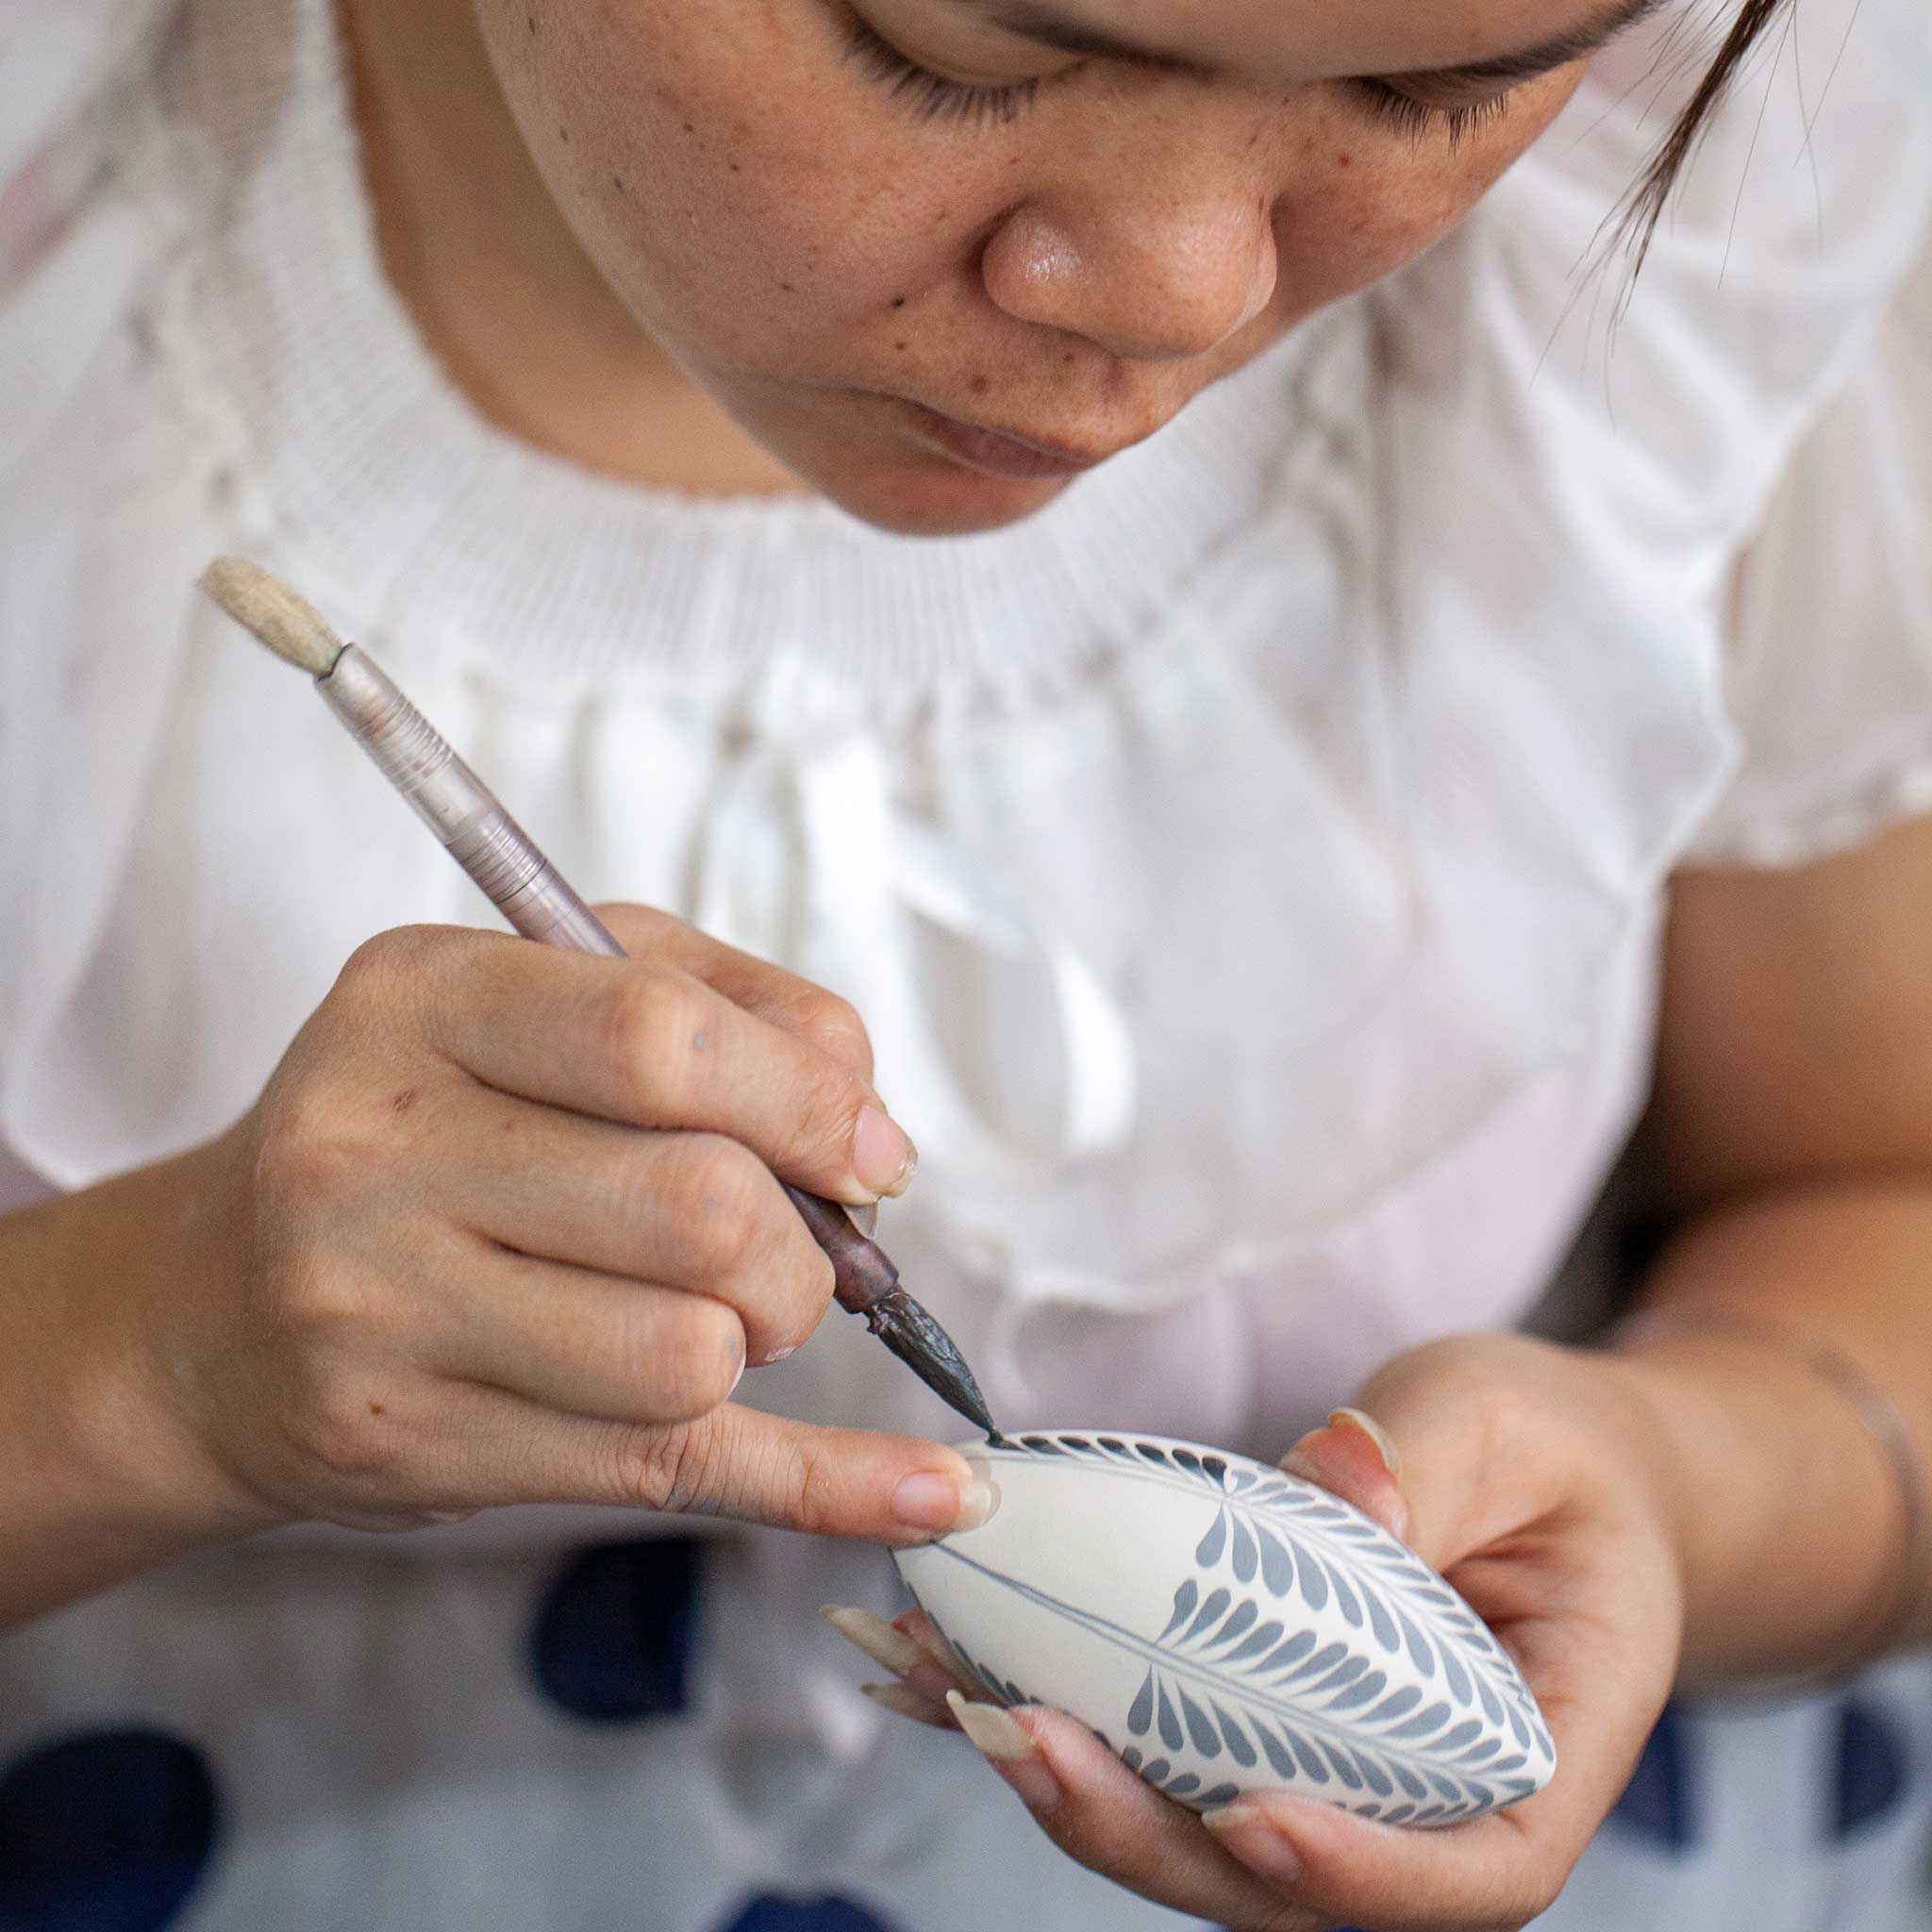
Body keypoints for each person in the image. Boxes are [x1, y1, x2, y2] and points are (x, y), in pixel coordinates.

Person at [1, 0, 1928, 1926]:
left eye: (1431, 88)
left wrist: (1674, 1481)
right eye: (955, 57)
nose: (1176, 293)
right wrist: (148, 1353)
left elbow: (1870, 1188)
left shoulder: (1705, 213)